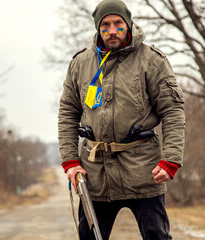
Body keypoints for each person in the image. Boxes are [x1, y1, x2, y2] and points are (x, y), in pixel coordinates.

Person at [58, 0, 185, 239]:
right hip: (95, 175)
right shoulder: (80, 63)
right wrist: (70, 160)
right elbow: (67, 113)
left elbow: (173, 111)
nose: (112, 30)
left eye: (118, 23)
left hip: (144, 171)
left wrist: (171, 160)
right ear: (98, 28)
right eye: (105, 24)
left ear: (128, 24)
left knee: (157, 235)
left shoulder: (152, 60)